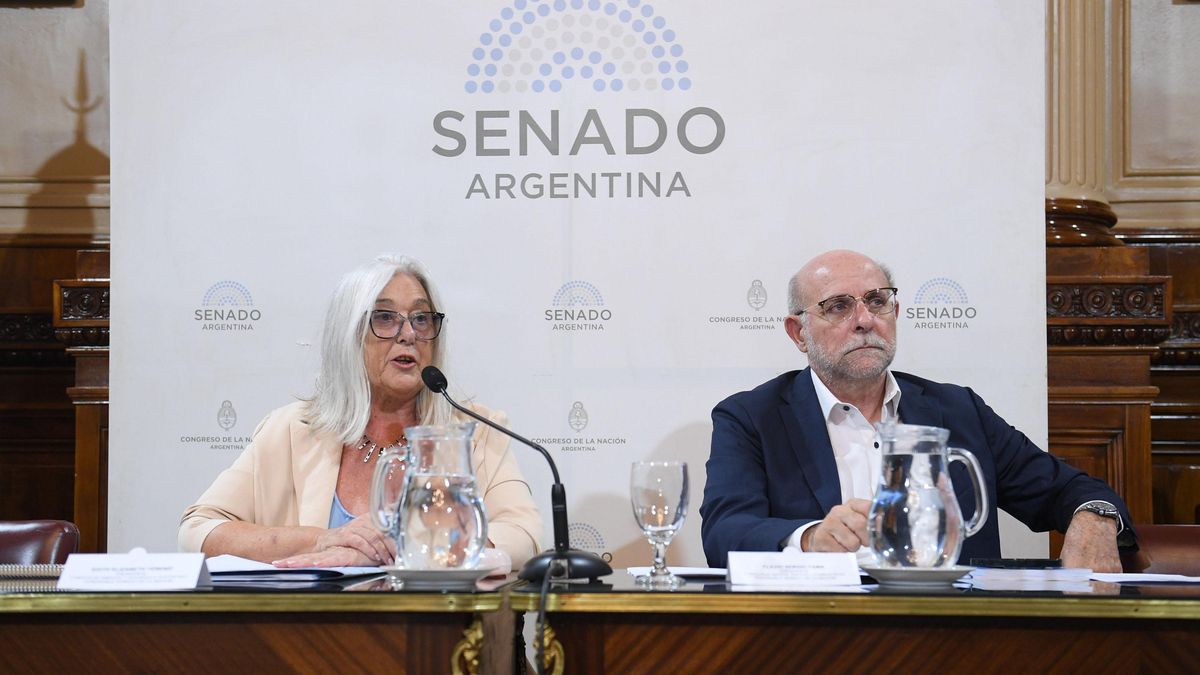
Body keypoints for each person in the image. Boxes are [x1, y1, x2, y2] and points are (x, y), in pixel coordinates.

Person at [700, 249, 1133, 571]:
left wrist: (1095, 518)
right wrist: (810, 539)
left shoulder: (957, 409)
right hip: (820, 638)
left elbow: (1066, 489)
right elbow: (725, 532)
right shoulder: (752, 418)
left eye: (877, 300)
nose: (865, 319)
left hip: (952, 640)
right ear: (799, 332)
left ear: (895, 311)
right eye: (838, 306)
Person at [179, 254, 543, 569]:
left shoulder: (476, 432)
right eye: (385, 318)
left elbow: (523, 534)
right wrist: (323, 540)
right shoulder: (290, 430)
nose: (408, 334)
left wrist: (404, 547)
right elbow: (199, 530)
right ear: (349, 335)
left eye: (421, 318)